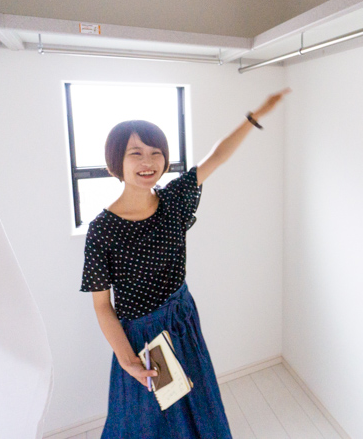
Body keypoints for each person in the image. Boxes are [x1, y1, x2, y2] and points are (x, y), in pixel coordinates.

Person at [80, 88, 290, 438]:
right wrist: (128, 360)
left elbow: (216, 157)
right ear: (116, 162)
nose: (148, 161)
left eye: (156, 153)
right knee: (149, 422)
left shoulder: (173, 200)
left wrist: (254, 117)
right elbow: (103, 306)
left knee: (198, 406)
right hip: (143, 340)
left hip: (182, 319)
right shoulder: (102, 229)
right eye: (136, 153)